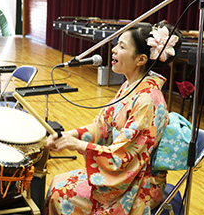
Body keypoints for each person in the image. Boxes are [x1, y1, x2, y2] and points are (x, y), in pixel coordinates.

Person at [44, 21, 182, 215]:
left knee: (61, 194)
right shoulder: (130, 86)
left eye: (122, 46)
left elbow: (120, 157)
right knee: (57, 183)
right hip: (125, 172)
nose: (114, 50)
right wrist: (67, 135)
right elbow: (103, 126)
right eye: (117, 44)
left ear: (141, 59)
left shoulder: (148, 100)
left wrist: (76, 145)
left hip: (139, 183)